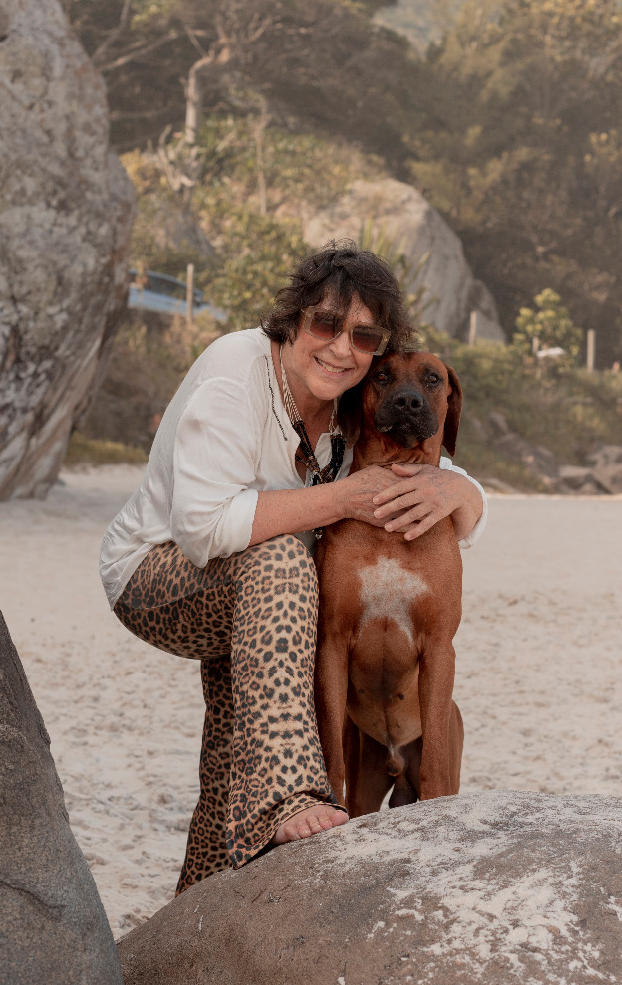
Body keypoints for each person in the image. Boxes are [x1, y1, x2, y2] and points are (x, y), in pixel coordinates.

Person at [100, 242, 487, 893]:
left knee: (230, 767)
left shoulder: (351, 397)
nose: (340, 348)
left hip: (262, 609)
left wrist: (461, 491)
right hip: (156, 576)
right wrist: (343, 498)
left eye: (362, 336)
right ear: (292, 320)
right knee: (283, 559)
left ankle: (198, 909)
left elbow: (424, 463)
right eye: (326, 324)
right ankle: (290, 796)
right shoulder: (235, 374)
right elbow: (201, 529)